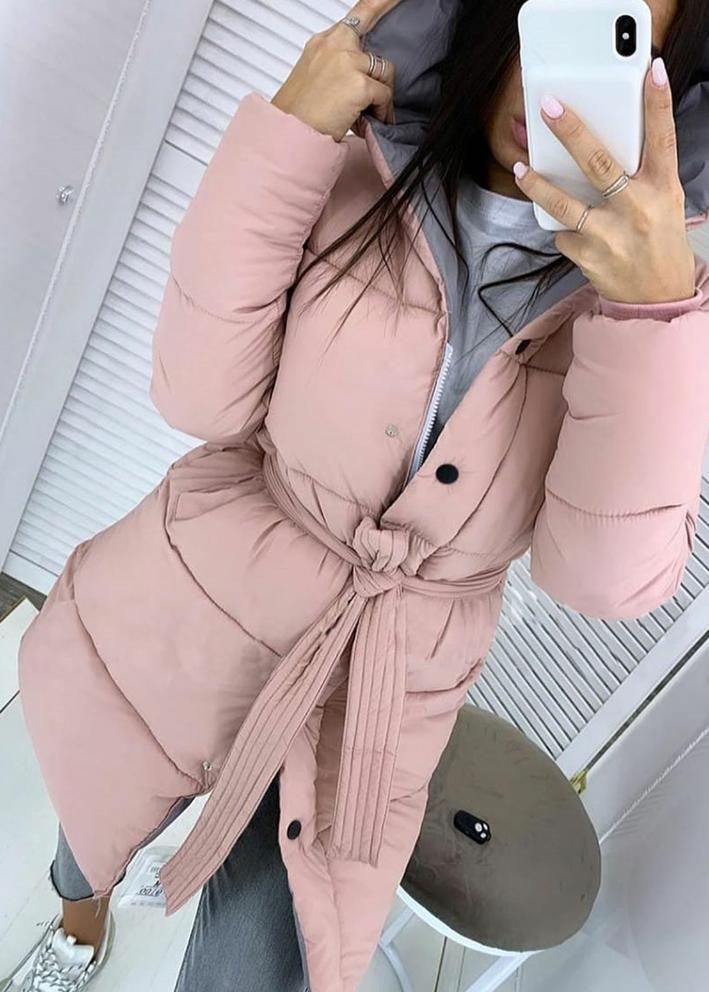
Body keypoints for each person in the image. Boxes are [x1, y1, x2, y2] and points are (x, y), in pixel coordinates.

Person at [8, 0, 709, 990]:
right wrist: (286, 134)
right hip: (202, 595)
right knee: (100, 805)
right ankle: (76, 912)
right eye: (558, 16)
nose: (557, 91)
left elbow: (599, 580)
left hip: (378, 688)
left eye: (620, 43)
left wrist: (653, 313)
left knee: (263, 960)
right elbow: (197, 394)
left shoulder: (660, 295)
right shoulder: (366, 161)